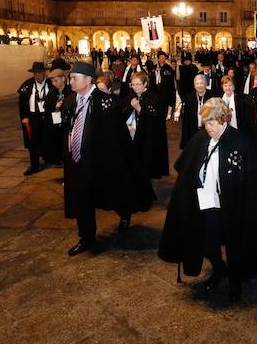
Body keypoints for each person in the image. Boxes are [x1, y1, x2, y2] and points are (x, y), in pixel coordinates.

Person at [159, 98, 257, 301]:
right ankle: (220, 269)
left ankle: (235, 280)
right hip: (206, 203)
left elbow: (252, 182)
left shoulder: (240, 143)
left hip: (232, 206)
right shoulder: (200, 139)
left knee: (235, 243)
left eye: (211, 123)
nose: (208, 128)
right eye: (205, 123)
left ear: (224, 121)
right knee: (207, 241)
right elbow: (186, 172)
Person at [62, 63, 153, 255]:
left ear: (87, 80)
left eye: (73, 78)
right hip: (78, 161)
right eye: (70, 78)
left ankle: (124, 212)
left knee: (114, 191)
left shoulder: (106, 102)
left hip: (103, 161)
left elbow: (116, 137)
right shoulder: (71, 101)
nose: (70, 81)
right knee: (82, 199)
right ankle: (86, 238)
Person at [121, 71, 169, 180]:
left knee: (146, 166)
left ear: (145, 84)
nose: (135, 87)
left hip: (148, 138)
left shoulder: (154, 98)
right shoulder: (130, 97)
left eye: (138, 84)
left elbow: (157, 119)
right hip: (132, 137)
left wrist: (139, 108)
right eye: (133, 84)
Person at [18, 61, 56, 176]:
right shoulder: (27, 85)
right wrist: (24, 117)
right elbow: (22, 104)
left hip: (48, 117)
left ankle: (52, 159)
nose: (37, 75)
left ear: (44, 73)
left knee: (49, 138)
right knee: (32, 142)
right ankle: (34, 166)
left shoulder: (51, 84)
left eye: (39, 73)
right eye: (35, 73)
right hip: (33, 117)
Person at [43, 68, 71, 166]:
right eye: (52, 81)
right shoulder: (52, 93)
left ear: (63, 79)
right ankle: (57, 158)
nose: (54, 83)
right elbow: (47, 107)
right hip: (55, 123)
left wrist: (63, 106)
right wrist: (54, 107)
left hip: (66, 124)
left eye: (56, 80)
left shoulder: (70, 91)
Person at [180, 74, 211, 149]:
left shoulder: (211, 95)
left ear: (205, 84)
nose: (199, 86)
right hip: (193, 129)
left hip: (208, 130)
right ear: (194, 86)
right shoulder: (189, 96)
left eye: (201, 83)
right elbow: (186, 118)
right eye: (197, 84)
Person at [150, 52, 176, 120]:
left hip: (165, 89)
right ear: (158, 58)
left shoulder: (168, 67)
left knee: (166, 102)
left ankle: (167, 113)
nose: (162, 59)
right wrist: (155, 72)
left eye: (164, 57)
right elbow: (151, 78)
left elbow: (170, 78)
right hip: (156, 89)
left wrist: (161, 72)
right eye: (161, 57)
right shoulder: (154, 67)